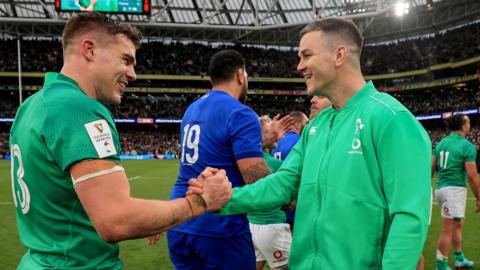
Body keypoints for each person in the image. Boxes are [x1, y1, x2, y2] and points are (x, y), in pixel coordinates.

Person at [189, 17, 432, 269]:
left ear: (339, 55)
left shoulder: (392, 120)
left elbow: (409, 218)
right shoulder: (315, 127)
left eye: (306, 55)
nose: (299, 66)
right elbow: (281, 184)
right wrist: (224, 198)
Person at [9, 12, 232, 269]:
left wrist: (151, 217)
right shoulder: (78, 109)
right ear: (89, 50)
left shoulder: (31, 107)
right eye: (126, 60)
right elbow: (116, 220)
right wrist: (201, 201)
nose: (133, 74)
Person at [167, 49, 273, 270]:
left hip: (181, 218)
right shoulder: (241, 113)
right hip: (219, 226)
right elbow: (255, 178)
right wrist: (288, 184)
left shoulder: (191, 109)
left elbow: (217, 149)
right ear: (240, 74)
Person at [433, 114, 479, 270]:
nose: (470, 125)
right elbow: (472, 175)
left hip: (441, 188)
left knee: (457, 224)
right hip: (453, 190)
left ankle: (459, 258)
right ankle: (441, 265)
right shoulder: (467, 146)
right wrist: (479, 197)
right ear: (462, 126)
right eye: (468, 122)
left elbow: (431, 168)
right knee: (448, 229)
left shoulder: (440, 144)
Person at [248, 115, 292, 270]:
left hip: (253, 225)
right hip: (272, 226)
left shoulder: (248, 160)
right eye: (269, 128)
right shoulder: (272, 163)